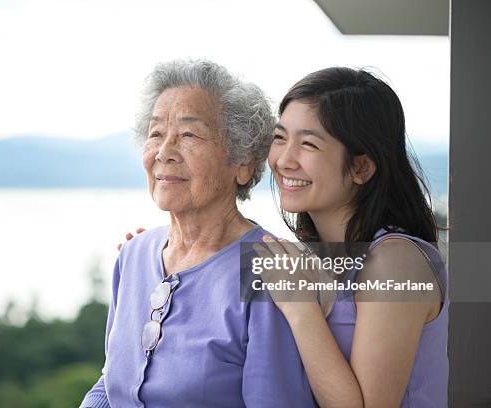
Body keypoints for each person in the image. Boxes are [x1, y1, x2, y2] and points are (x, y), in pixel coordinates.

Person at [80, 60, 317, 408]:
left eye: (189, 135)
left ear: (243, 162)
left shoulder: (269, 271)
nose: (164, 152)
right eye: (156, 133)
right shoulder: (133, 255)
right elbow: (111, 384)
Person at [261, 67, 448, 407]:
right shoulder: (320, 260)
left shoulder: (396, 262)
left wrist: (301, 308)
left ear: (362, 167)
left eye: (308, 144)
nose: (285, 160)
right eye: (279, 138)